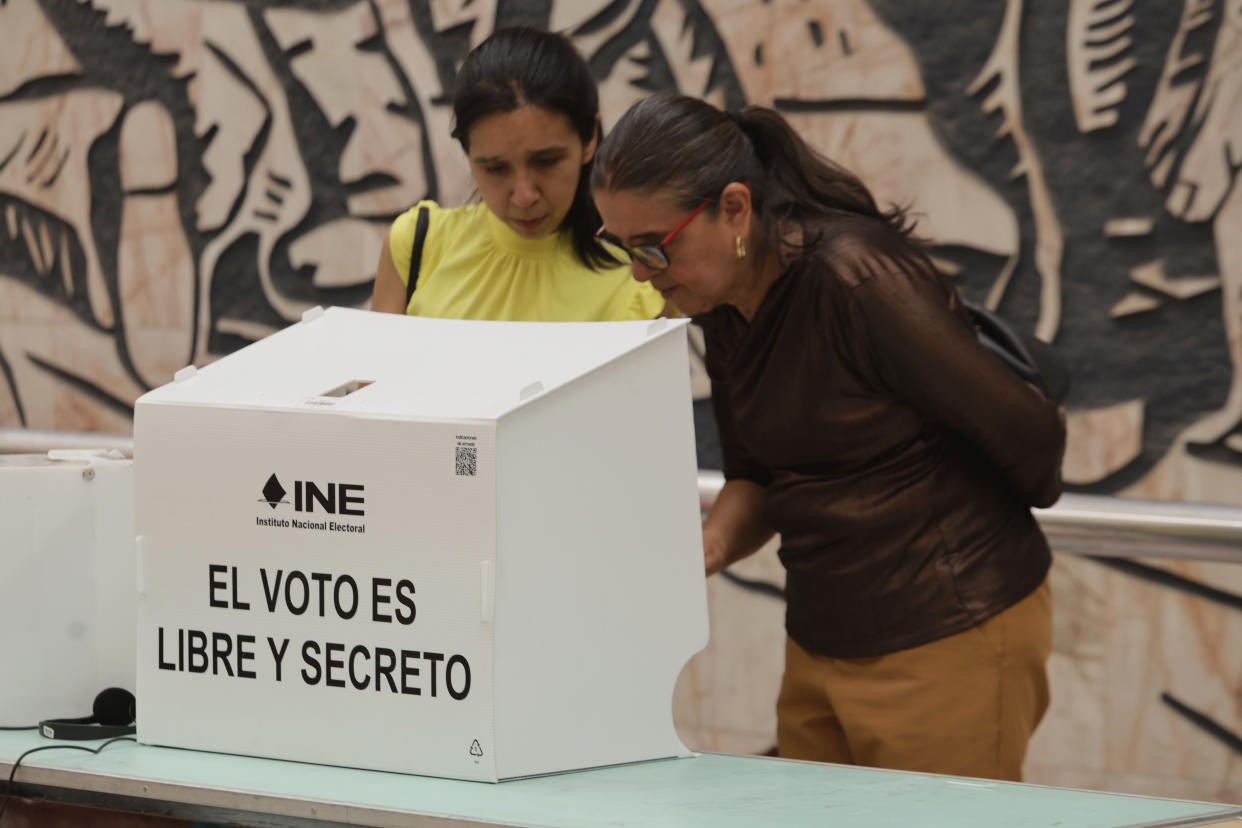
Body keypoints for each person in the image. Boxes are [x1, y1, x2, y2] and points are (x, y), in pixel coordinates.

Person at [591, 92, 1066, 782]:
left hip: (949, 628)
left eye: (653, 247)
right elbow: (756, 475)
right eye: (620, 246)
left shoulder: (855, 277)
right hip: (821, 637)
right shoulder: (721, 305)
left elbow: (1030, 435)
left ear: (734, 209)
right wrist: (698, 553)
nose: (638, 272)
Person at [370, 26, 665, 322]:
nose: (524, 196)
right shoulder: (416, 246)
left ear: (589, 140)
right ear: (467, 153)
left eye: (547, 161)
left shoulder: (643, 276)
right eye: (495, 168)